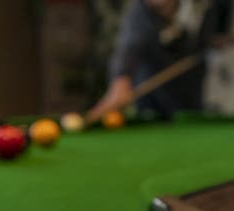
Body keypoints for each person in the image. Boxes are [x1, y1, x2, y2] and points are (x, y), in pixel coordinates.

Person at [87, 0, 224, 123]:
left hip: (190, 100)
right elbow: (129, 48)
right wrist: (120, 81)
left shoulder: (200, 6)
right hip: (152, 107)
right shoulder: (139, 15)